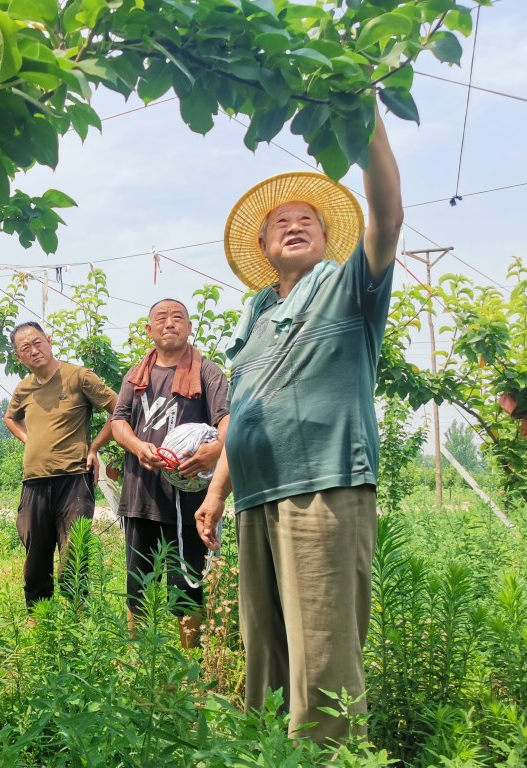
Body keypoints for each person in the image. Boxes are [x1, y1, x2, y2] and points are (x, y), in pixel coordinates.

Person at [194, 110, 403, 744]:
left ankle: (331, 757)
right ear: (262, 248)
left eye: (307, 219)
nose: (293, 225)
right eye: (280, 223)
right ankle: (273, 755)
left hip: (322, 488)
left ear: (327, 238)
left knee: (323, 654)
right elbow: (246, 409)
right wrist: (216, 492)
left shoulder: (349, 289)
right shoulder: (257, 317)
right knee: (268, 652)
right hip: (256, 497)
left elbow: (388, 218)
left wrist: (364, 118)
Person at [111, 299, 229, 648]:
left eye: (178, 317)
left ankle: (190, 664)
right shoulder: (136, 375)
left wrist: (215, 449)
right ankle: (139, 663)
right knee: (137, 587)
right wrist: (137, 447)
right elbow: (118, 422)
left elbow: (228, 420)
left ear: (190, 328)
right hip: (141, 496)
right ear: (149, 330)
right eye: (161, 318)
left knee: (187, 587)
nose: (170, 323)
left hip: (188, 501)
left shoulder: (208, 372)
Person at [4, 322, 117, 612]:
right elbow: (10, 418)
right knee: (35, 555)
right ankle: (37, 615)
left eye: (37, 342)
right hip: (34, 481)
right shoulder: (24, 387)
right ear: (19, 356)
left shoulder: (79, 376)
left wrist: (94, 447)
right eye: (25, 348)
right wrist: (29, 440)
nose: (34, 350)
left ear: (49, 341)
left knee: (73, 553)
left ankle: (76, 614)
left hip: (74, 479)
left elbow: (119, 410)